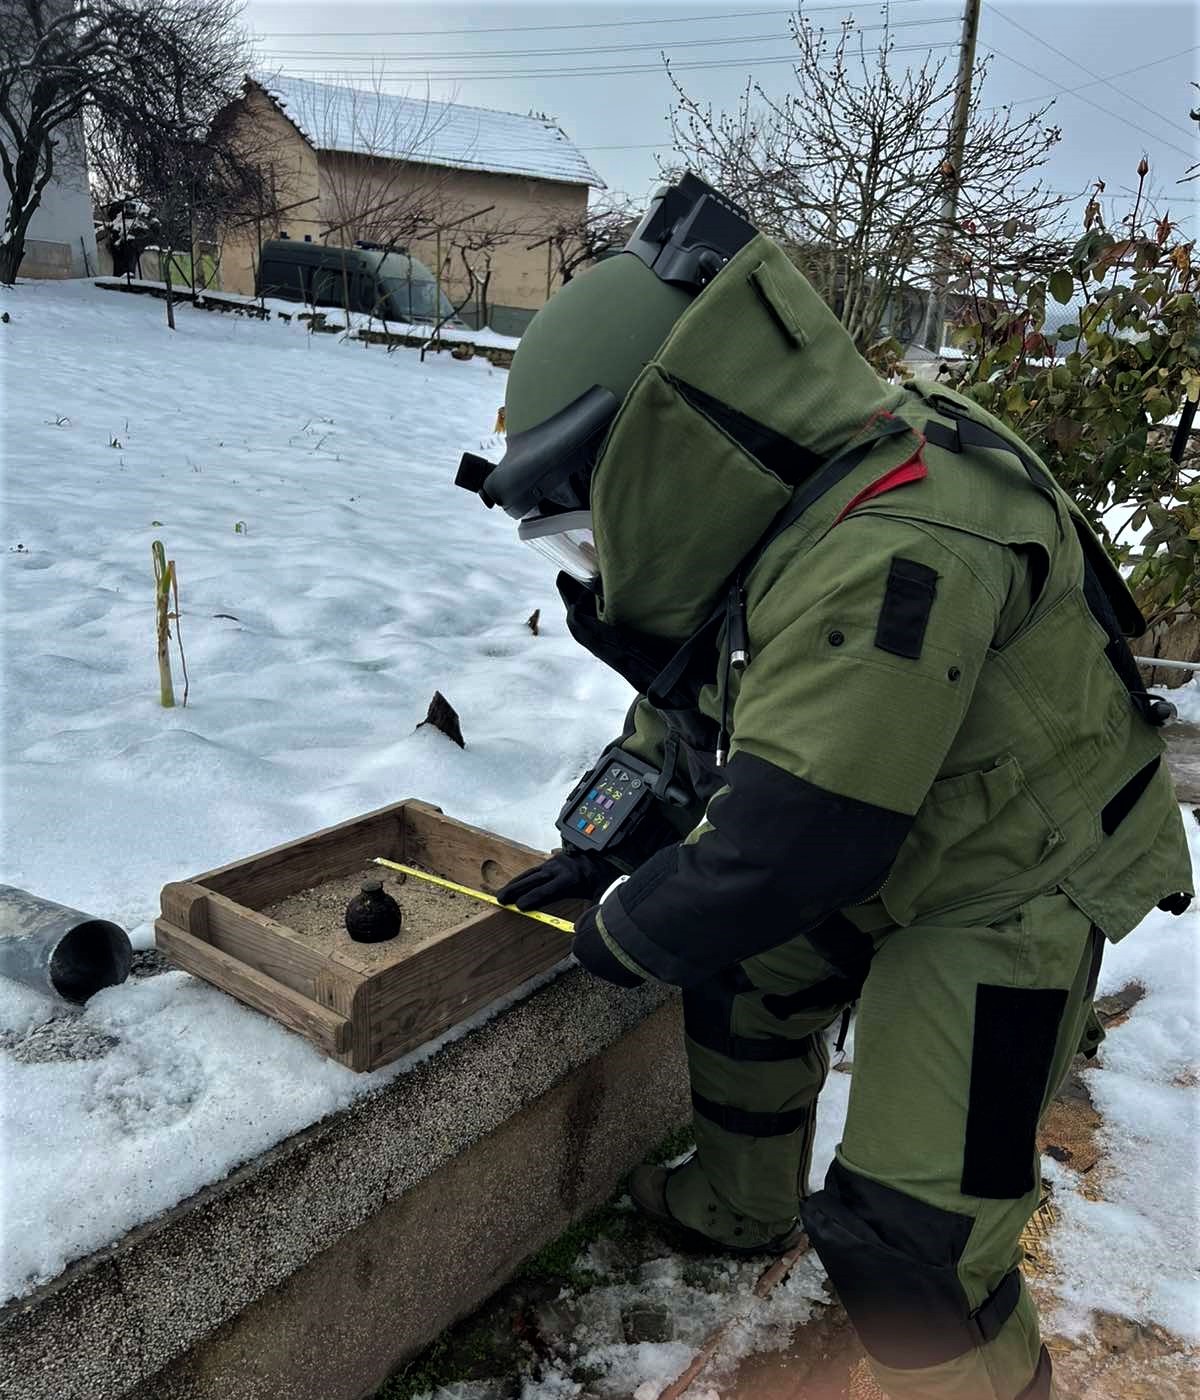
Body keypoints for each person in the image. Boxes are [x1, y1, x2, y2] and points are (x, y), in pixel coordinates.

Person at [454, 175, 1192, 1400]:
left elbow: (790, 846)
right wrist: (616, 825)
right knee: (747, 976)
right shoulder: (798, 489)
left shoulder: (895, 540)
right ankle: (739, 1205)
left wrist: (624, 931)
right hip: (894, 818)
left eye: (590, 528)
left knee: (911, 1239)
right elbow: (717, 694)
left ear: (671, 450)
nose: (595, 563)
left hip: (1013, 878)